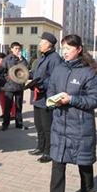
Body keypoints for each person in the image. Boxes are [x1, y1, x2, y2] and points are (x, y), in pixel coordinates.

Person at [47, 34, 97, 192]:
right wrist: (52, 101)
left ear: (79, 50)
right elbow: (51, 89)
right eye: (63, 48)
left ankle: (87, 186)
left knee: (83, 162)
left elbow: (96, 99)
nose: (65, 52)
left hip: (80, 128)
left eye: (69, 48)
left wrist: (72, 99)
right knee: (57, 165)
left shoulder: (89, 72)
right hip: (59, 126)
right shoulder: (58, 69)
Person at [27, 32, 61, 163]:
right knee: (39, 125)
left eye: (43, 42)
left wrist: (40, 85)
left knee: (48, 127)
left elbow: (55, 79)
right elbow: (37, 75)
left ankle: (49, 152)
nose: (40, 44)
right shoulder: (42, 57)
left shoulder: (55, 59)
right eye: (40, 42)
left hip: (47, 98)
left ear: (50, 45)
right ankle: (40, 147)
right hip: (38, 98)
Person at [1, 42, 29, 131]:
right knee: (7, 106)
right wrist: (8, 79)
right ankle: (5, 124)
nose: (18, 50)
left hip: (19, 86)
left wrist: (21, 60)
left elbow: (26, 69)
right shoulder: (7, 59)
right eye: (16, 48)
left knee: (18, 106)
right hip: (9, 86)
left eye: (19, 49)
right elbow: (2, 72)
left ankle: (19, 124)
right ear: (11, 49)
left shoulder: (22, 59)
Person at [0, 53, 16, 119]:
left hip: (8, 85)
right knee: (2, 100)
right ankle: (4, 113)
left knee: (10, 100)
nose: (0, 60)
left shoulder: (8, 65)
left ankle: (13, 113)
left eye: (1, 59)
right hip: (0, 85)